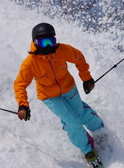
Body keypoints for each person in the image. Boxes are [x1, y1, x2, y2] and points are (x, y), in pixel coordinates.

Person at [14, 23, 105, 156]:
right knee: (71, 121)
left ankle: (100, 131)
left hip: (69, 88)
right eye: (43, 43)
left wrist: (87, 78)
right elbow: (20, 84)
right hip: (49, 96)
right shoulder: (30, 63)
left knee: (80, 113)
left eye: (51, 41)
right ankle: (87, 149)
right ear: (35, 42)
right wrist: (23, 105)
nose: (48, 46)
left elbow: (79, 58)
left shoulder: (61, 50)